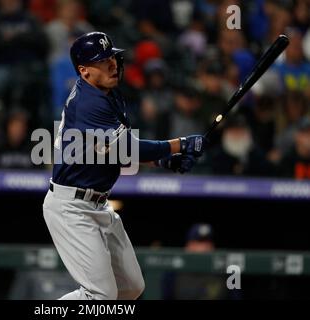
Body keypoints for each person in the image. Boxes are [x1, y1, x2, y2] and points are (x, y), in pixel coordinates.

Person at [42, 31, 207, 300]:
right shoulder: (87, 102)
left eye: (112, 58)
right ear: (84, 72)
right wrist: (180, 144)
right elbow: (128, 147)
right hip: (71, 208)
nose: (112, 64)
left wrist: (163, 159)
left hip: (98, 204)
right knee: (101, 295)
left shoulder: (110, 95)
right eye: (102, 61)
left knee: (130, 288)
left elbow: (115, 151)